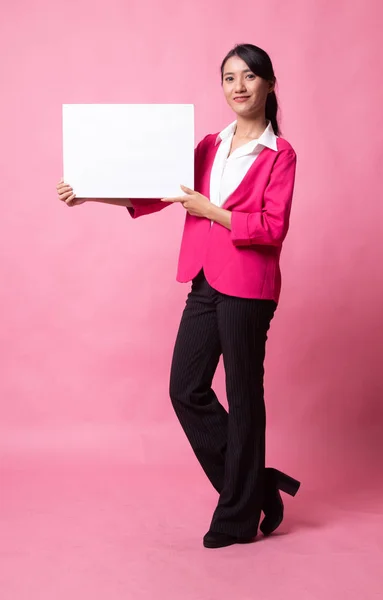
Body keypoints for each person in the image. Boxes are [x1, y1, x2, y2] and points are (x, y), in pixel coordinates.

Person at [56, 43, 301, 549]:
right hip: (205, 281)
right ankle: (257, 489)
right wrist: (89, 191)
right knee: (184, 388)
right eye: (229, 77)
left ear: (269, 85)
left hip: (248, 289)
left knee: (244, 398)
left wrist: (210, 209)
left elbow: (271, 228)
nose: (238, 86)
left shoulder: (281, 155)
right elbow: (154, 190)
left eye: (250, 76)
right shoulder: (210, 144)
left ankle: (237, 518)